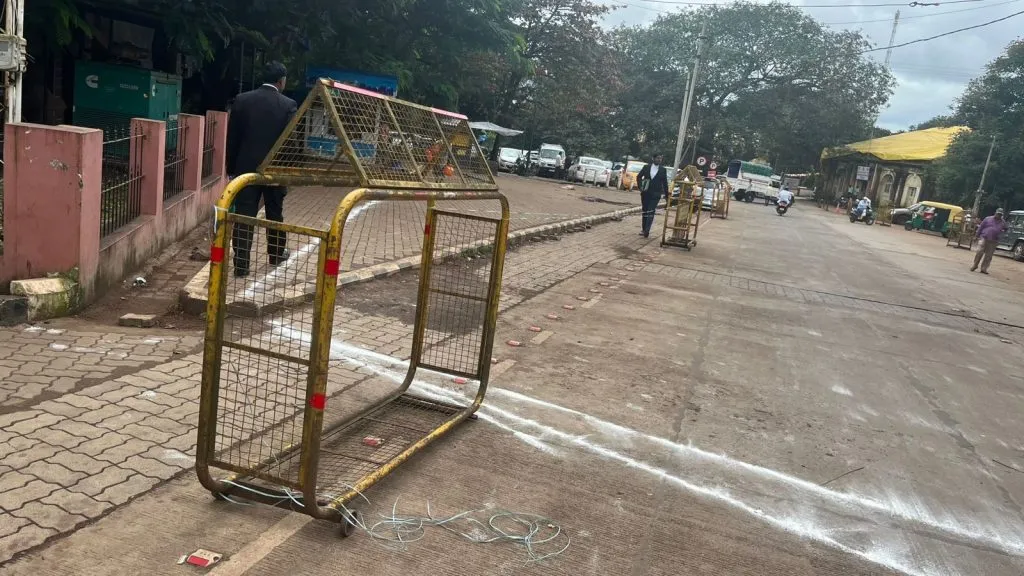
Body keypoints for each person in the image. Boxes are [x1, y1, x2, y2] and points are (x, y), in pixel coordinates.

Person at [226, 61, 299, 278]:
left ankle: (241, 265)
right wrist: (288, 171)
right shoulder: (288, 105)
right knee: (274, 212)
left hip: (245, 170)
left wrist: (232, 170)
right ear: (281, 81)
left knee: (244, 214)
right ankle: (276, 254)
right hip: (274, 171)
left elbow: (233, 139)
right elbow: (291, 143)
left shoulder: (242, 100)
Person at [636, 154, 669, 238]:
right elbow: (639, 177)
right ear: (653, 158)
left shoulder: (663, 170)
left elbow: (665, 183)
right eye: (657, 158)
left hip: (656, 194)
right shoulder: (646, 167)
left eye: (661, 158)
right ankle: (644, 229)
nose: (659, 160)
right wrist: (640, 187)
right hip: (645, 193)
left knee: (651, 211)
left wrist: (667, 195)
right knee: (645, 210)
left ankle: (647, 230)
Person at [972, 208, 1008, 274]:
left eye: (1000, 214)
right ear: (995, 213)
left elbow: (1006, 229)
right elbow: (981, 227)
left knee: (988, 255)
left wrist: (1001, 235)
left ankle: (984, 268)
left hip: (994, 240)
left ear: (1002, 215)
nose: (998, 215)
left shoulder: (1003, 222)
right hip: (984, 238)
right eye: (998, 214)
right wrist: (976, 236)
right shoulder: (987, 219)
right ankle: (975, 265)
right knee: (979, 252)